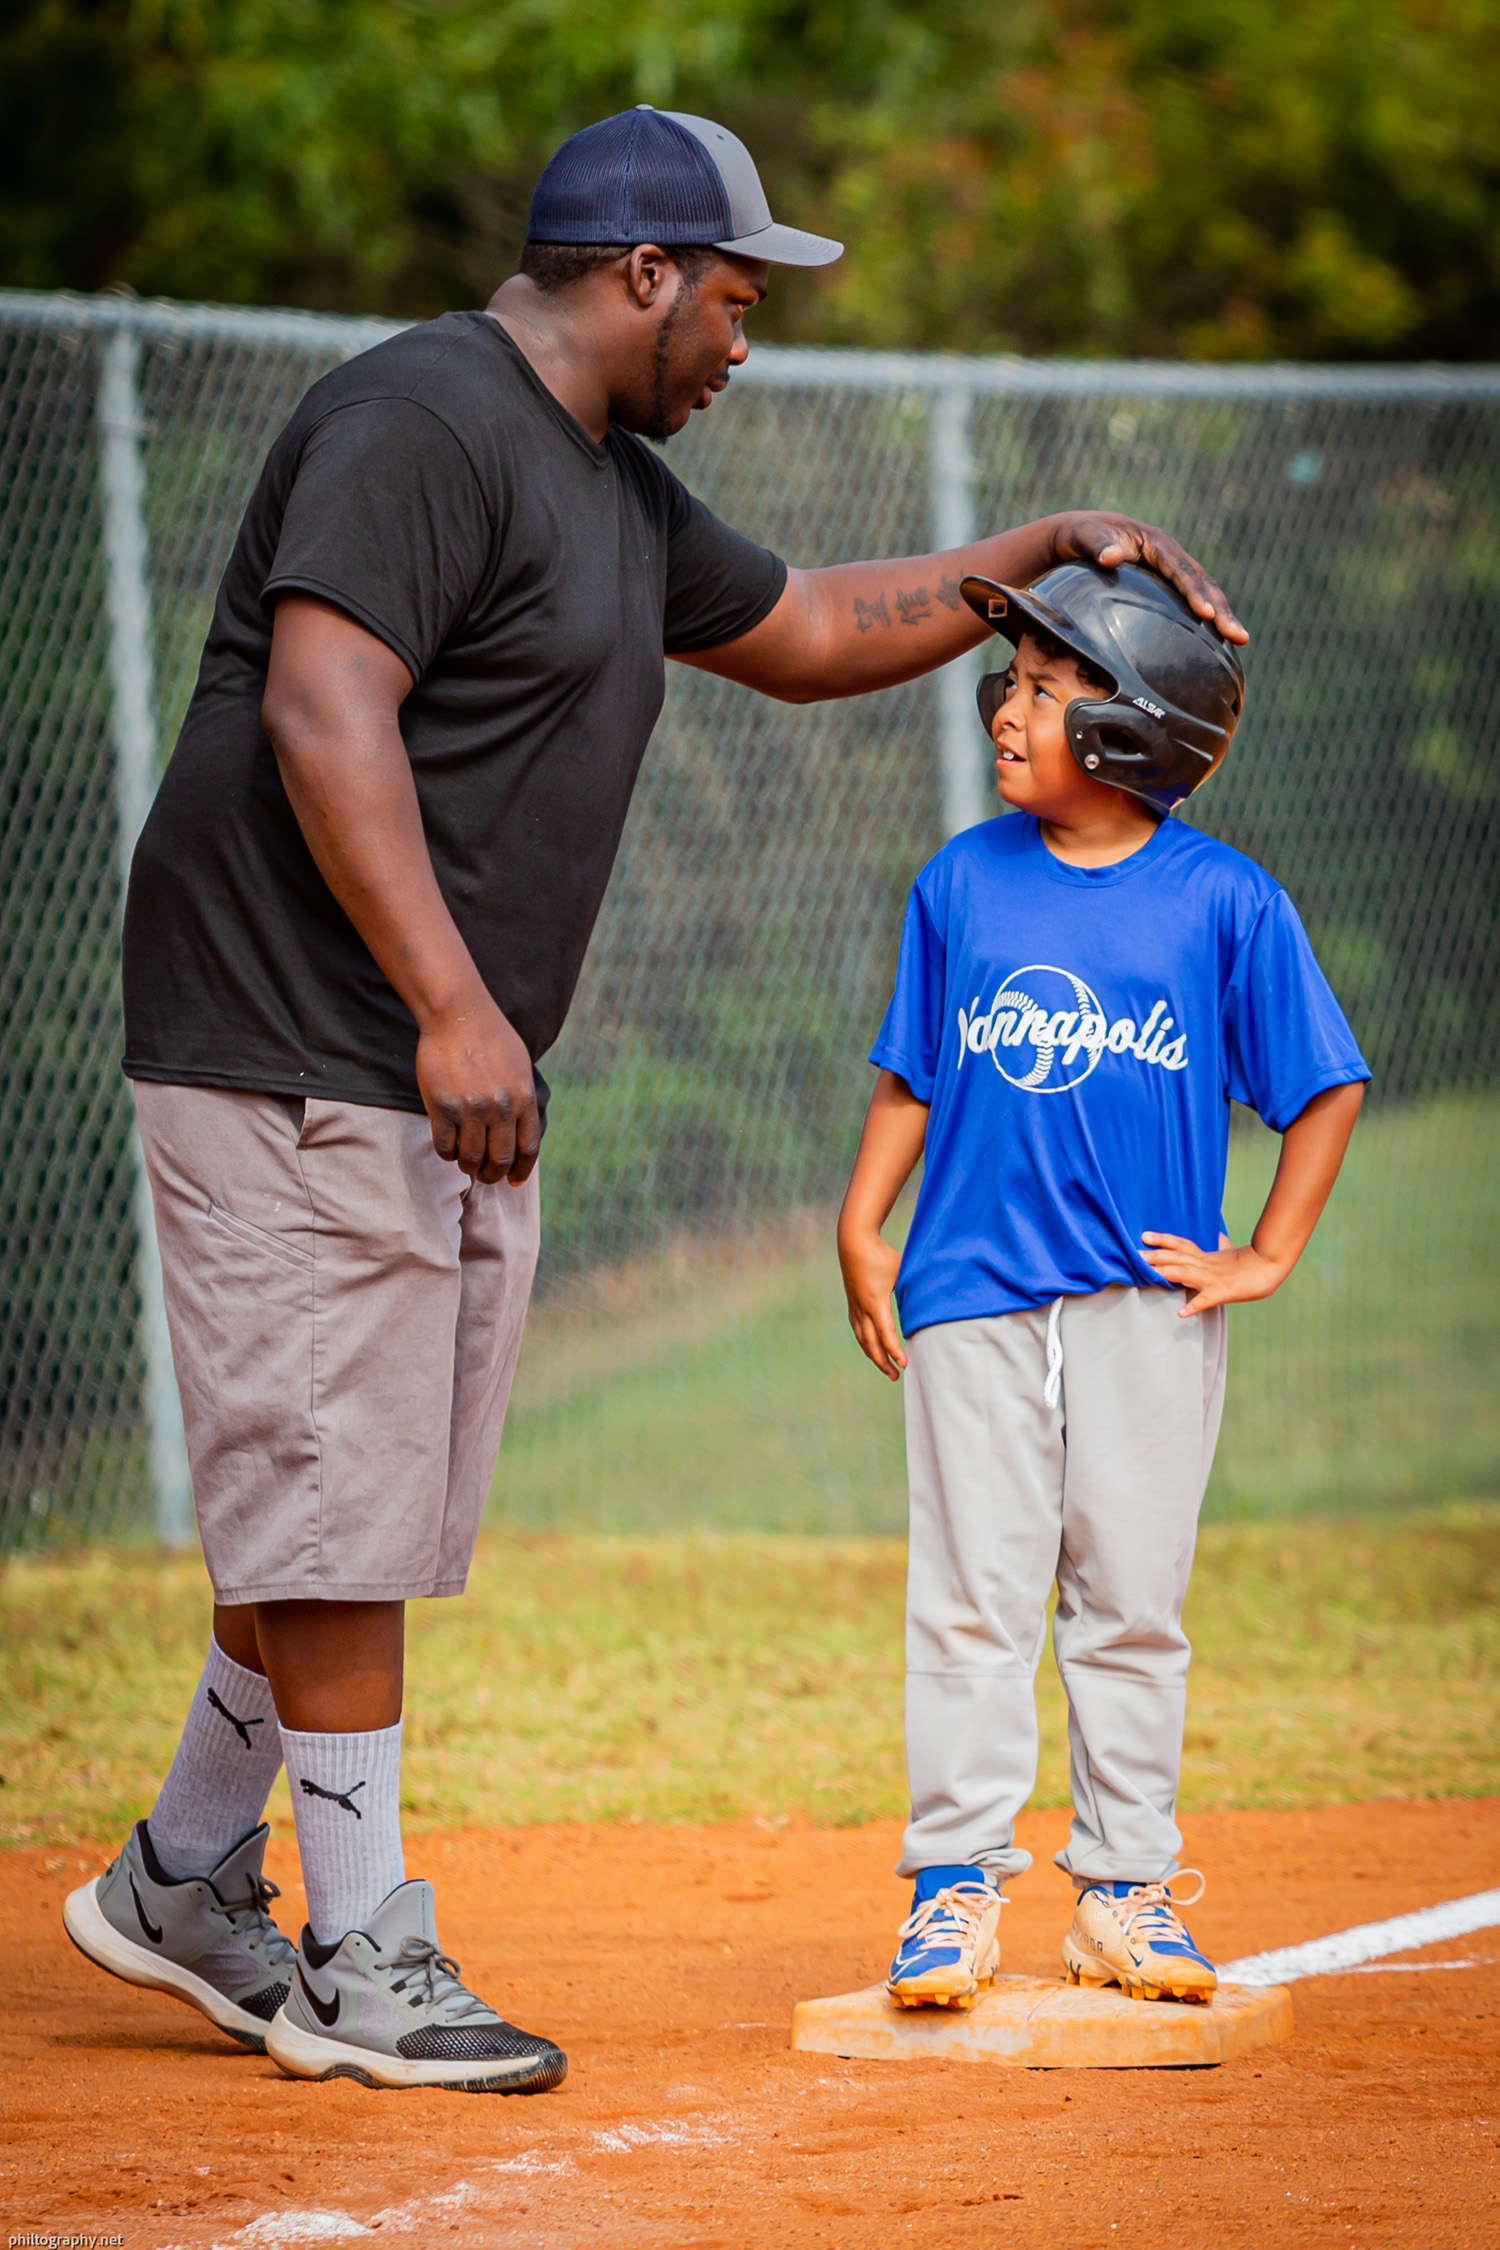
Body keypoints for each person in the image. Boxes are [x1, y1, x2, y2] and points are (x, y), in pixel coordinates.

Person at [63, 104, 1244, 2094]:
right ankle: (359, 1948)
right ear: (639, 274)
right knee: (342, 1506)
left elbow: (798, 631)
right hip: (295, 1035)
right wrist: (450, 1003)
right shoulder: (419, 425)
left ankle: (189, 1870)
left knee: (354, 1490)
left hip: (416, 1060)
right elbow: (319, 698)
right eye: (734, 295)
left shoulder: (606, 481)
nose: (745, 339)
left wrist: (1029, 559)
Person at [837, 560, 1367, 2011]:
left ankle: (1124, 1889)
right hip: (971, 1291)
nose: (1008, 710)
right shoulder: (961, 881)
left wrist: (1269, 1249)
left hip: (1149, 1302)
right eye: (1013, 685)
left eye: (1044, 693)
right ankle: (953, 1887)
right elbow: (912, 1072)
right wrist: (862, 1219)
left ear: (1134, 729)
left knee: (1130, 1598)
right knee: (971, 1600)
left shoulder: (1224, 903)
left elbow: (1322, 1086)